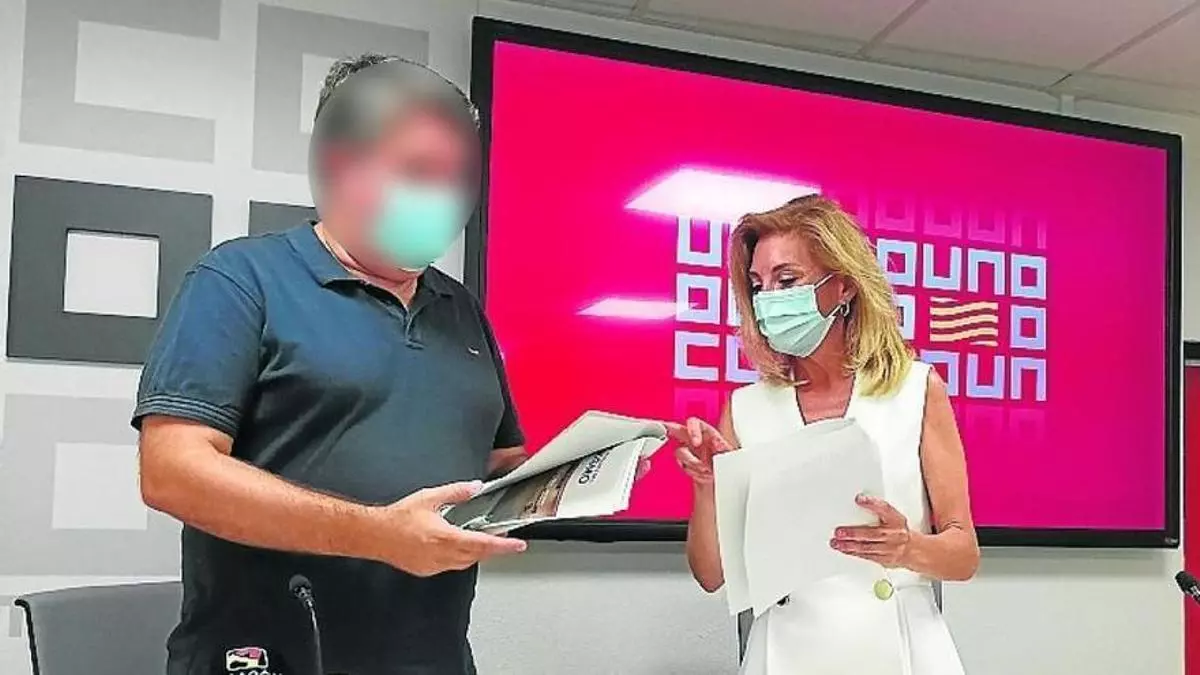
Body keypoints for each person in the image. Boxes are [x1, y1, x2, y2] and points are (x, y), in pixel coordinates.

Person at [134, 54, 529, 675]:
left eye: (455, 175)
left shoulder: (461, 310)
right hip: (271, 659)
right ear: (342, 164)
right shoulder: (241, 280)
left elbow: (498, 464)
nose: (442, 196)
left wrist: (584, 472)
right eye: (418, 171)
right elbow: (171, 472)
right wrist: (376, 534)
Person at [673, 195, 979, 674]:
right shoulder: (747, 408)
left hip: (903, 648)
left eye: (787, 280)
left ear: (843, 286)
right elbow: (711, 576)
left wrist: (908, 547)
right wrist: (708, 488)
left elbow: (964, 555)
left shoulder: (914, 389)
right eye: (758, 285)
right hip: (785, 652)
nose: (768, 299)